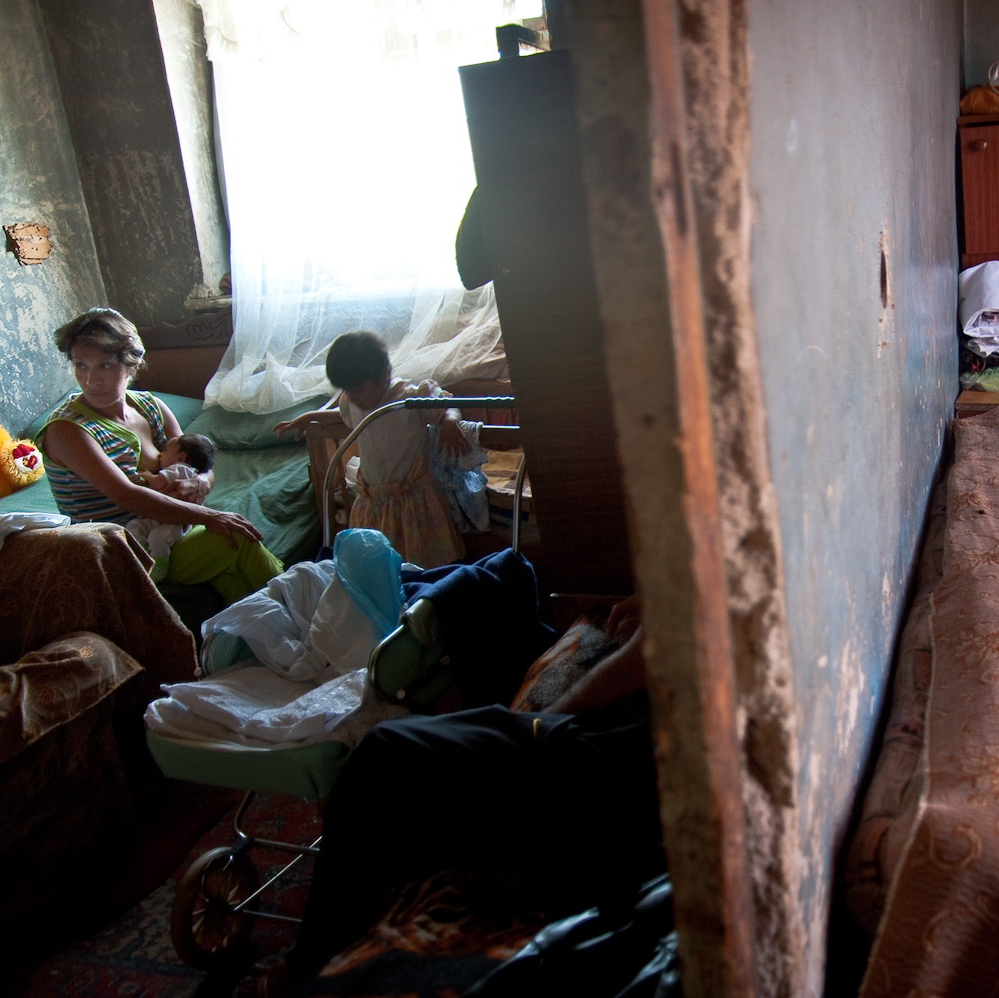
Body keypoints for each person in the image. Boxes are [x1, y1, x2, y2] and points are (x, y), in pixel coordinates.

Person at [242, 597, 662, 998]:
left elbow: (647, 655)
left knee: (387, 755)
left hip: (623, 776)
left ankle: (310, 965)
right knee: (422, 749)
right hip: (637, 750)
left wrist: (541, 723)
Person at [36, 307, 283, 604]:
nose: (90, 380)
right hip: (117, 546)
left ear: (131, 365)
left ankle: (273, 634)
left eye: (104, 366)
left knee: (235, 580)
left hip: (169, 527)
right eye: (80, 366)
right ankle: (304, 607)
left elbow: (196, 462)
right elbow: (127, 495)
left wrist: (203, 482)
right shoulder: (67, 430)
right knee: (239, 539)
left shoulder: (150, 406)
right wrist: (212, 515)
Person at [274, 330, 468, 568]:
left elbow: (449, 404)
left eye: (357, 390)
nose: (352, 397)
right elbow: (341, 415)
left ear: (384, 375)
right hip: (373, 502)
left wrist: (449, 420)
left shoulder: (408, 398)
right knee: (374, 565)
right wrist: (309, 416)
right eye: (347, 391)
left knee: (419, 566)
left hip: (411, 501)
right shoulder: (353, 403)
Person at [124, 432, 217, 581]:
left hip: (177, 522)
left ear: (181, 458)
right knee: (134, 526)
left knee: (158, 536)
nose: (160, 455)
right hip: (160, 517)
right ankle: (142, 556)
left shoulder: (181, 469)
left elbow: (159, 483)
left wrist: (147, 475)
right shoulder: (186, 471)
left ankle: (159, 567)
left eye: (165, 451)